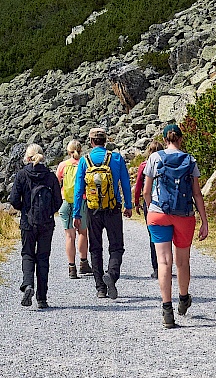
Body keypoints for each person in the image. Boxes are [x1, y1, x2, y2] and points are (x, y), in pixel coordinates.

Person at [144, 123, 210, 328]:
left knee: (164, 262)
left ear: (164, 140)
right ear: (181, 139)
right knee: (182, 262)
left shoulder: (154, 158)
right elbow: (197, 194)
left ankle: (167, 310)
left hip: (158, 213)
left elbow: (146, 191)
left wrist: (151, 209)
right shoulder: (190, 160)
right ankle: (183, 299)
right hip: (184, 215)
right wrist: (204, 221)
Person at [73, 127, 133, 299]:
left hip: (92, 210)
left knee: (95, 247)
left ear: (91, 142)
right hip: (113, 209)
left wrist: (77, 214)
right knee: (116, 246)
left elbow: (79, 189)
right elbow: (125, 183)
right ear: (105, 141)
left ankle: (100, 287)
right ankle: (112, 275)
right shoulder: (116, 157)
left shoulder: (85, 161)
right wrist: (128, 205)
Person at [9, 143, 63, 310]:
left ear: (27, 157)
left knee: (27, 254)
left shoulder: (22, 175)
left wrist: (25, 209)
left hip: (27, 221)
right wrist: (48, 212)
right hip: (46, 223)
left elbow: (13, 199)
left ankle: (28, 285)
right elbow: (58, 201)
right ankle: (42, 298)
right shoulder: (50, 176)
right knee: (43, 258)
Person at [55, 139, 91, 279]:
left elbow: (56, 182)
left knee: (69, 236)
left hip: (66, 202)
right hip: (81, 201)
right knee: (82, 233)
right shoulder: (85, 164)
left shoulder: (63, 165)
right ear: (80, 150)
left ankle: (71, 267)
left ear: (68, 151)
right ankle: (83, 263)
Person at [132, 136, 164, 279]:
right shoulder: (166, 164)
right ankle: (166, 265)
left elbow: (139, 184)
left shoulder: (144, 165)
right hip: (165, 202)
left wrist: (136, 201)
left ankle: (157, 268)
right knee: (166, 235)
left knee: (153, 235)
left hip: (149, 203)